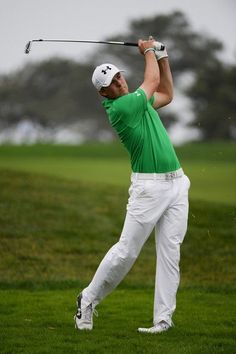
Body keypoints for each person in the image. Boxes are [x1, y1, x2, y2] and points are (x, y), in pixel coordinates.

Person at [74, 37, 190, 334]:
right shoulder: (122, 108)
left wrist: (163, 57)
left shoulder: (138, 102)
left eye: (119, 76)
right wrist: (149, 50)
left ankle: (162, 320)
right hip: (148, 189)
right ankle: (87, 299)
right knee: (127, 251)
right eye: (112, 83)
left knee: (170, 253)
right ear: (103, 93)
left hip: (177, 183)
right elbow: (151, 81)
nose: (120, 83)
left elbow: (165, 92)